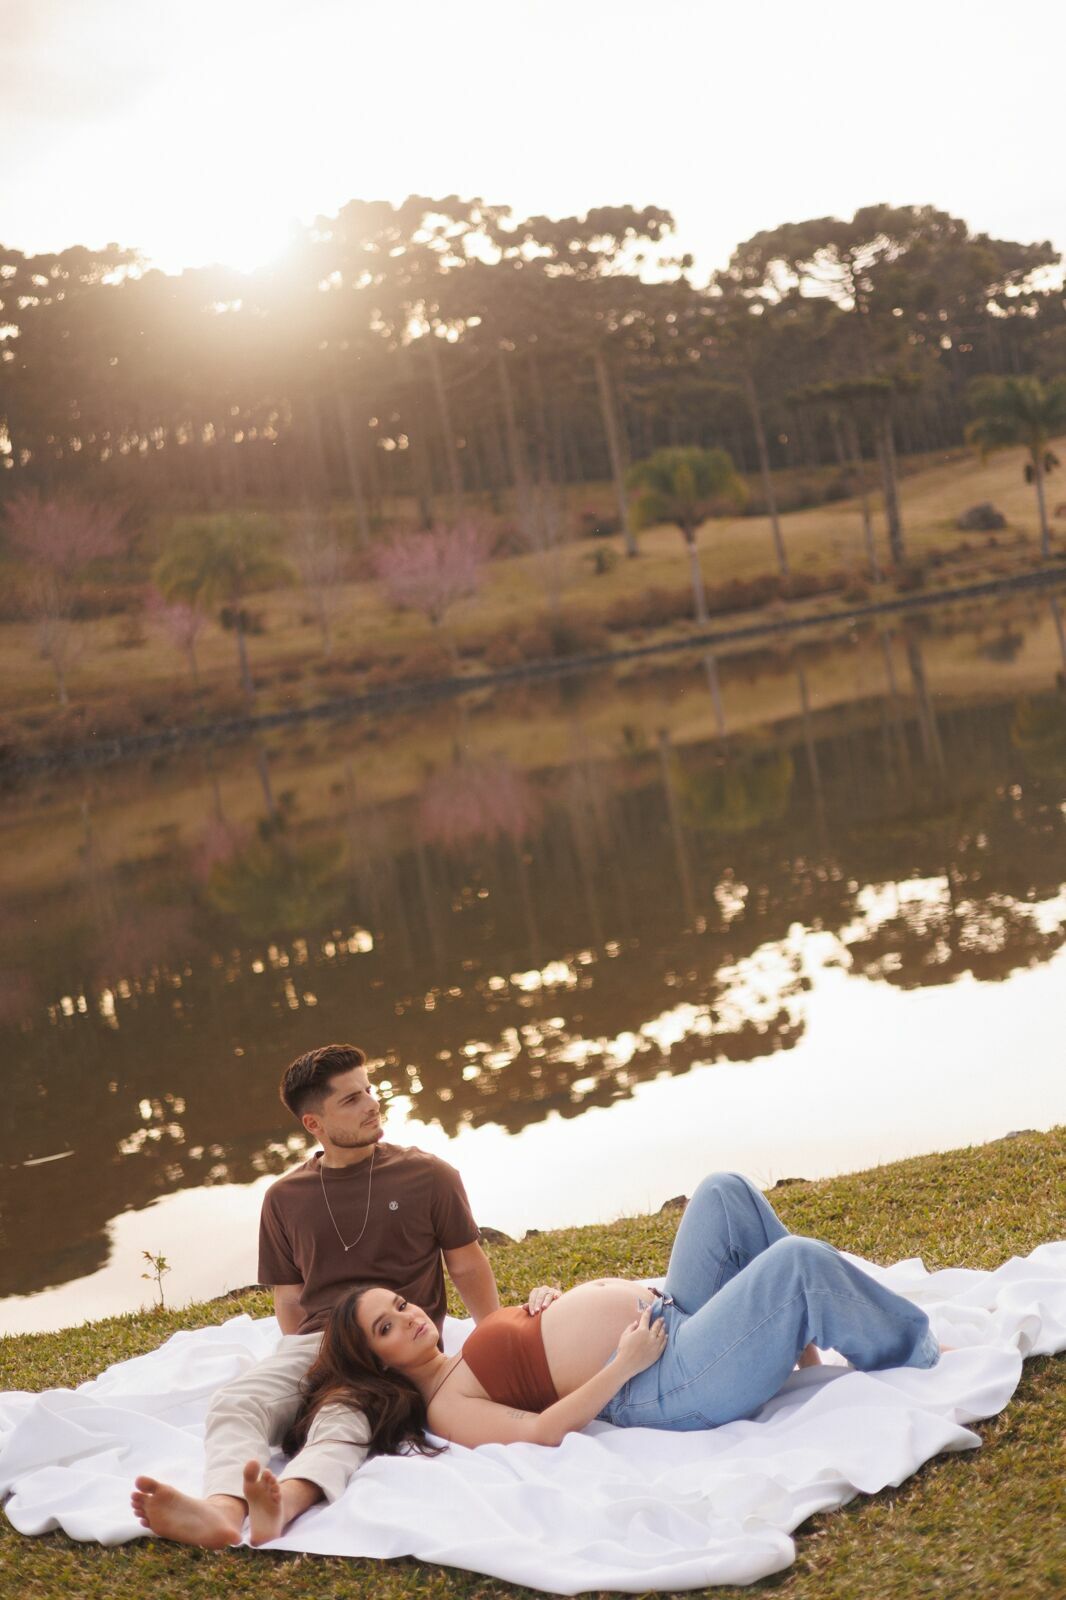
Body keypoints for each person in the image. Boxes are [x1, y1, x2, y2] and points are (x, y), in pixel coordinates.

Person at [282, 1171, 944, 1468]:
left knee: (723, 1191)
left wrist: (547, 1303)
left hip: (671, 1317)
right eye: (388, 1327)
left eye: (398, 1306)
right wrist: (622, 1363)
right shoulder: (445, 1406)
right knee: (797, 1261)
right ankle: (909, 1350)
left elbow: (536, 1349)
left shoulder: (460, 1353)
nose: (410, 1318)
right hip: (669, 1380)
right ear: (375, 1360)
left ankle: (797, 1340)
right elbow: (540, 1431)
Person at [131, 1043, 499, 1547]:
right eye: (350, 1100)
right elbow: (290, 1297)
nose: (371, 1103)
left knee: (343, 1418)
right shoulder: (284, 1198)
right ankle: (219, 1510)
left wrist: (494, 1334)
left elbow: (466, 1263)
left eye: (368, 1090)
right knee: (236, 1401)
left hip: (395, 1346)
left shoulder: (429, 1175)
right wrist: (303, 1369)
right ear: (313, 1123)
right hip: (321, 1342)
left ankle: (284, 1506)